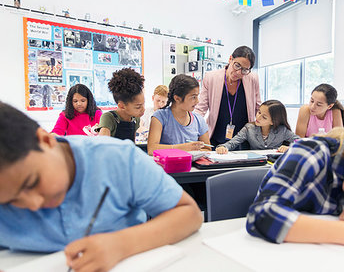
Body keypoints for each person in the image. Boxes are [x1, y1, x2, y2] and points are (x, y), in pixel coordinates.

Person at [0, 101, 202, 272]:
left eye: (32, 182)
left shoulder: (117, 158)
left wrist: (121, 244)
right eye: (10, 202)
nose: (33, 204)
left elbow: (188, 213)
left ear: (45, 140)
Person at [195, 46, 261, 147]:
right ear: (230, 59)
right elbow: (201, 108)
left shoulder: (252, 78)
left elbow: (258, 107)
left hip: (243, 140)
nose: (239, 72)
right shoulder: (211, 77)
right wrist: (189, 126)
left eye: (244, 70)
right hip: (216, 137)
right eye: (237, 65)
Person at [147, 75, 211, 155]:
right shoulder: (160, 117)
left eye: (197, 96)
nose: (197, 101)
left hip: (192, 167)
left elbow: (207, 149)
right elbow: (152, 149)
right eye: (193, 97)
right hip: (167, 166)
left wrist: (195, 150)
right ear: (177, 98)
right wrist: (184, 148)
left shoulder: (199, 120)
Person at [216, 100, 299, 154]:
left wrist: (289, 148)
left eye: (264, 117)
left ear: (273, 121)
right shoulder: (249, 128)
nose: (258, 117)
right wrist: (223, 147)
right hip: (256, 164)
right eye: (259, 112)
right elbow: (232, 143)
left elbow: (301, 142)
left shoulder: (282, 130)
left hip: (275, 165)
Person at [98, 68, 145, 142]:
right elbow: (102, 145)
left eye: (143, 104)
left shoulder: (135, 119)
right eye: (138, 107)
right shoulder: (109, 118)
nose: (143, 109)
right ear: (122, 106)